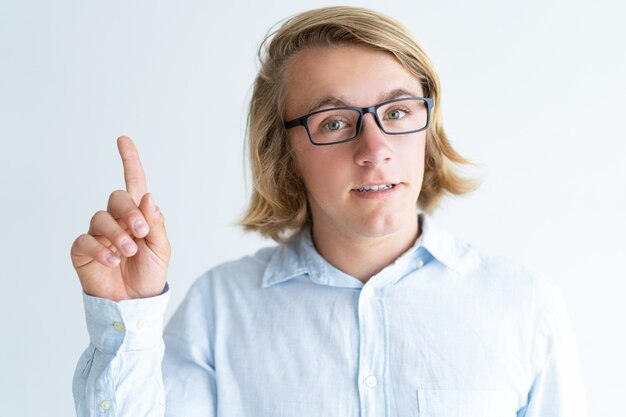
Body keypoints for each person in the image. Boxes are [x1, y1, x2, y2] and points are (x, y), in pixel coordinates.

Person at [70, 6, 587, 417]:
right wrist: (128, 317)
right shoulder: (218, 310)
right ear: (284, 151)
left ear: (427, 129)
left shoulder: (524, 307)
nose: (375, 147)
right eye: (335, 122)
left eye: (398, 111)